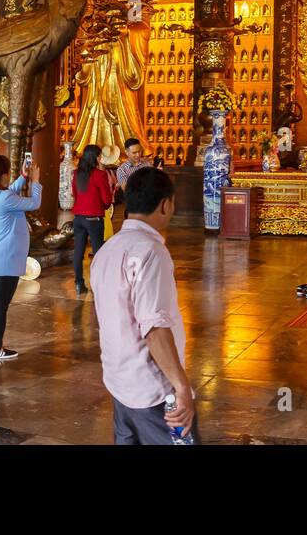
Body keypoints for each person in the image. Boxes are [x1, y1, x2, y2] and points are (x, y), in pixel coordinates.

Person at [91, 167, 197, 444]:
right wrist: (182, 386)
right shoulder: (151, 251)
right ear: (165, 205)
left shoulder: (106, 250)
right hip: (154, 391)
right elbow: (154, 328)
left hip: (119, 380)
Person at [0, 154, 42, 361]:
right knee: (0, 306)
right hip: (5, 262)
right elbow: (34, 203)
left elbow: (8, 194)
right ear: (3, 175)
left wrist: (23, 176)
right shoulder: (3, 198)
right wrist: (36, 181)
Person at [72, 144, 115, 296]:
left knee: (78, 252)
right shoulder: (99, 174)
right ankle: (97, 284)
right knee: (98, 252)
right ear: (96, 157)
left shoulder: (76, 173)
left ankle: (78, 284)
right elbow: (106, 200)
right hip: (94, 218)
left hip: (78, 218)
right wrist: (107, 201)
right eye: (99, 156)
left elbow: (75, 194)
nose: (100, 158)